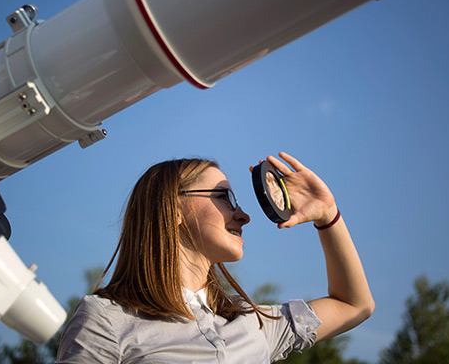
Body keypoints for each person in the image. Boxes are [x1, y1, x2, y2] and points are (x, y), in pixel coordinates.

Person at [56, 151, 374, 363]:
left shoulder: (258, 324)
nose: (243, 215)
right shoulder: (106, 320)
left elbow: (355, 305)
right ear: (173, 208)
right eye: (224, 197)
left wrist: (327, 214)